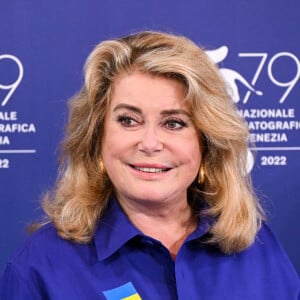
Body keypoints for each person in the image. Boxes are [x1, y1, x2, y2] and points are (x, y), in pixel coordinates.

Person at [0, 31, 299, 300]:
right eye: (128, 120)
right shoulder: (39, 267)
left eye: (174, 123)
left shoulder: (258, 248)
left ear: (206, 141)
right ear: (97, 137)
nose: (150, 143)